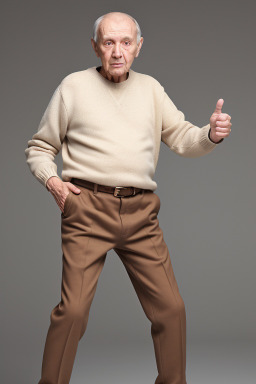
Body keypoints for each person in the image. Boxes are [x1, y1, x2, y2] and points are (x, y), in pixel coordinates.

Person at [25, 11, 232, 384]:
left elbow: (183, 139)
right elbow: (40, 148)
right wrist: (54, 184)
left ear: (138, 47)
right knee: (72, 313)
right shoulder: (73, 87)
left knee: (171, 309)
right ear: (95, 47)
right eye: (108, 42)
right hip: (86, 208)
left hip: (141, 214)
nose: (117, 51)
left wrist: (210, 135)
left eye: (125, 42)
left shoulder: (151, 89)